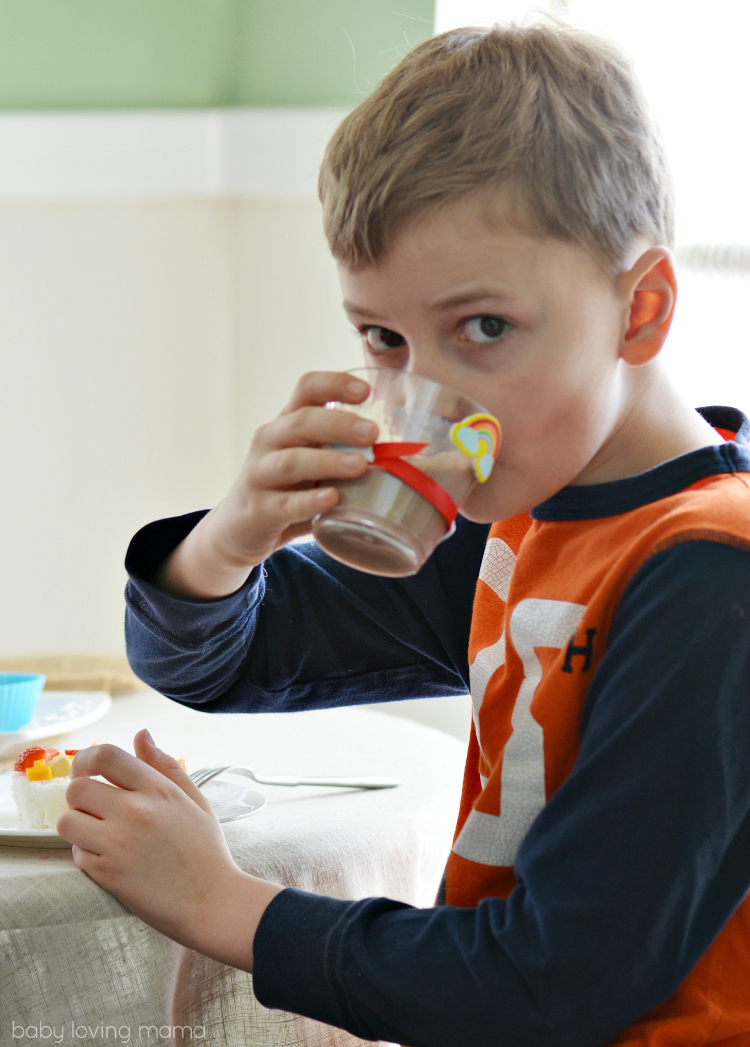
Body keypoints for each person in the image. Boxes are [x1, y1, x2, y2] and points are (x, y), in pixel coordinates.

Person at [57, 21, 750, 1047]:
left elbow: (548, 988)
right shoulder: (519, 512)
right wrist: (232, 539)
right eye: (384, 337)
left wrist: (223, 906)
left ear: (640, 309)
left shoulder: (706, 578)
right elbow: (223, 662)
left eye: (484, 329)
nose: (425, 395)